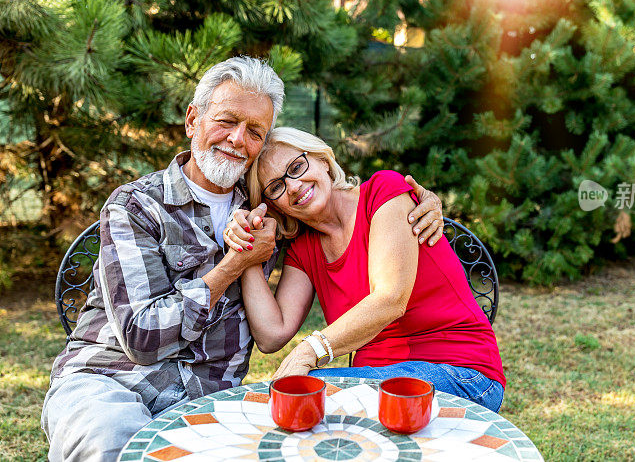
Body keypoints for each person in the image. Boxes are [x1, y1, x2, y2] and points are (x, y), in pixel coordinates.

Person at [41, 56, 445, 462]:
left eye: (255, 131)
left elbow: (343, 209)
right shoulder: (136, 207)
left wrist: (423, 202)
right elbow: (142, 338)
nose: (238, 139)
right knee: (111, 442)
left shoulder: (272, 211)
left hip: (206, 403)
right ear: (192, 120)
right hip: (111, 383)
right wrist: (233, 265)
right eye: (227, 120)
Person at [224, 127, 506, 411]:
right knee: (295, 398)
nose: (294, 186)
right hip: (377, 382)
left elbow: (390, 300)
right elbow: (272, 334)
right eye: (276, 187)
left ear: (322, 160)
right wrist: (245, 247)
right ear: (274, 206)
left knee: (306, 399)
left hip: (460, 372)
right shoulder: (304, 249)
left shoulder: (384, 192)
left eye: (297, 167)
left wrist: (310, 350)